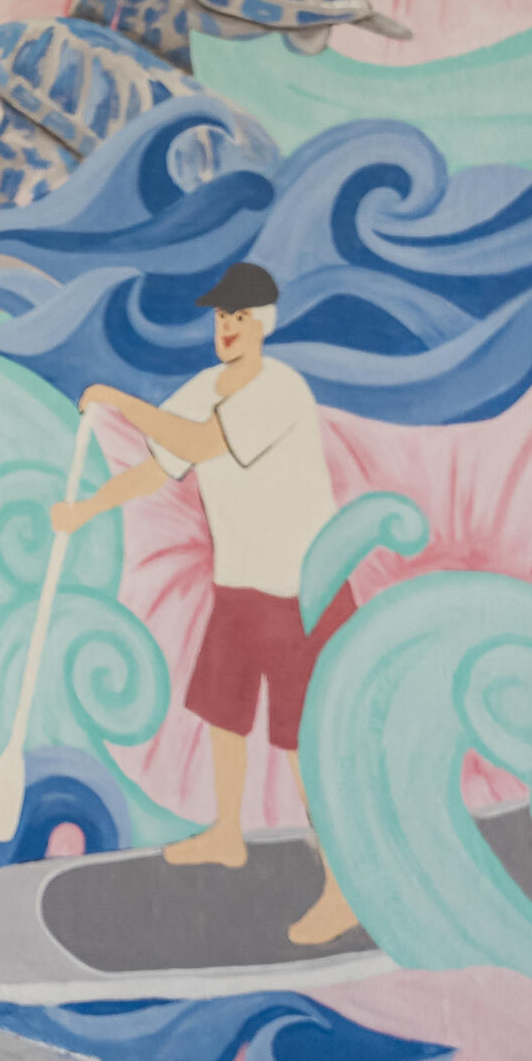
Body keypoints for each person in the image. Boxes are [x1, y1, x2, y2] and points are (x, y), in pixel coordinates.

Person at [51, 262, 359, 946]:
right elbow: (161, 466)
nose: (227, 328)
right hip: (242, 581)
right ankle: (226, 834)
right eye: (222, 317)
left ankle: (343, 889)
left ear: (266, 323)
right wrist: (86, 509)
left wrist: (114, 398)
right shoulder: (203, 388)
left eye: (241, 317)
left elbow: (196, 443)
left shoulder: (280, 391)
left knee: (303, 747)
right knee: (224, 714)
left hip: (301, 590)